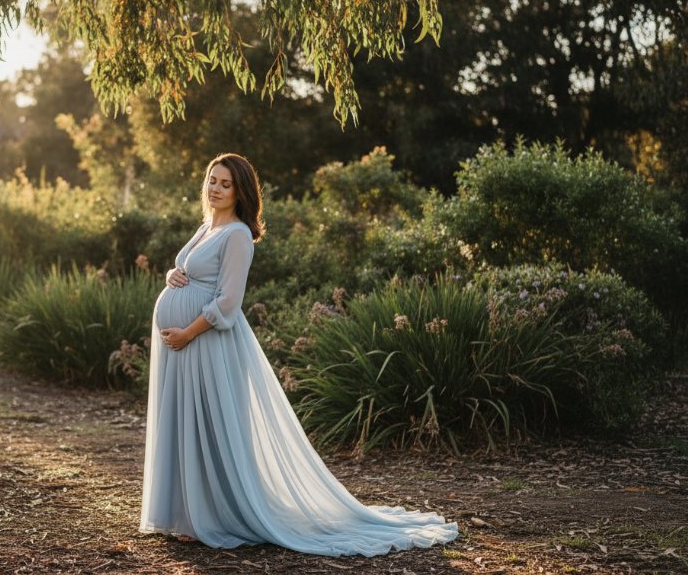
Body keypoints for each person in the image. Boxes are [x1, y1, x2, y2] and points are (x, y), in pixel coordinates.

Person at [139, 153, 460, 556]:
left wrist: (187, 331)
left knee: (210, 426)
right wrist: (173, 274)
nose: (215, 188)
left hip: (206, 344)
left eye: (225, 183)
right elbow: (190, 270)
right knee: (186, 422)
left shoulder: (237, 233)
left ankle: (213, 517)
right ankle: (186, 513)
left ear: (241, 192)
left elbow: (229, 300)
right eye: (211, 180)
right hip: (184, 348)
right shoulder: (207, 226)